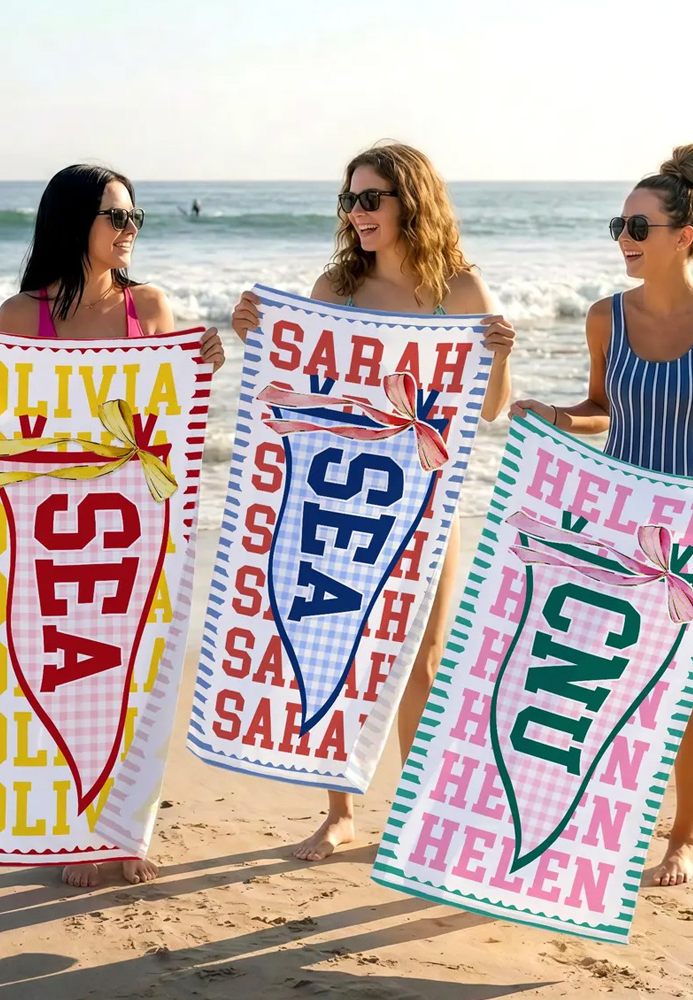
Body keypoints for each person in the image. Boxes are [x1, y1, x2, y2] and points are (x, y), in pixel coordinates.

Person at [0, 163, 225, 888]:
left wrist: (205, 362)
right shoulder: (18, 316)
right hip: (50, 525)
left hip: (133, 524)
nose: (129, 230)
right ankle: (70, 830)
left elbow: (169, 413)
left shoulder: (150, 308)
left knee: (136, 673)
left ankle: (125, 832)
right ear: (73, 222)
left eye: (134, 217)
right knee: (58, 670)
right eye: (115, 217)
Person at [231, 141, 516, 862]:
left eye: (369, 199)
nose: (356, 213)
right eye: (349, 200)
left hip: (422, 502)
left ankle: (420, 815)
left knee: (422, 660)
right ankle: (340, 814)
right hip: (336, 494)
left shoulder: (459, 291)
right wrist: (256, 334)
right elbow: (299, 380)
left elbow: (489, 410)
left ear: (408, 202)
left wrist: (501, 354)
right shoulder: (337, 287)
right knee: (338, 647)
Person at [509, 144, 693, 887]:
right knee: (596, 677)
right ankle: (586, 821)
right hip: (612, 519)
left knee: (690, 685)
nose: (624, 238)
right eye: (618, 226)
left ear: (682, 236)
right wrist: (556, 416)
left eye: (638, 226)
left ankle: (682, 839)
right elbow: (602, 408)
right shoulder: (605, 317)